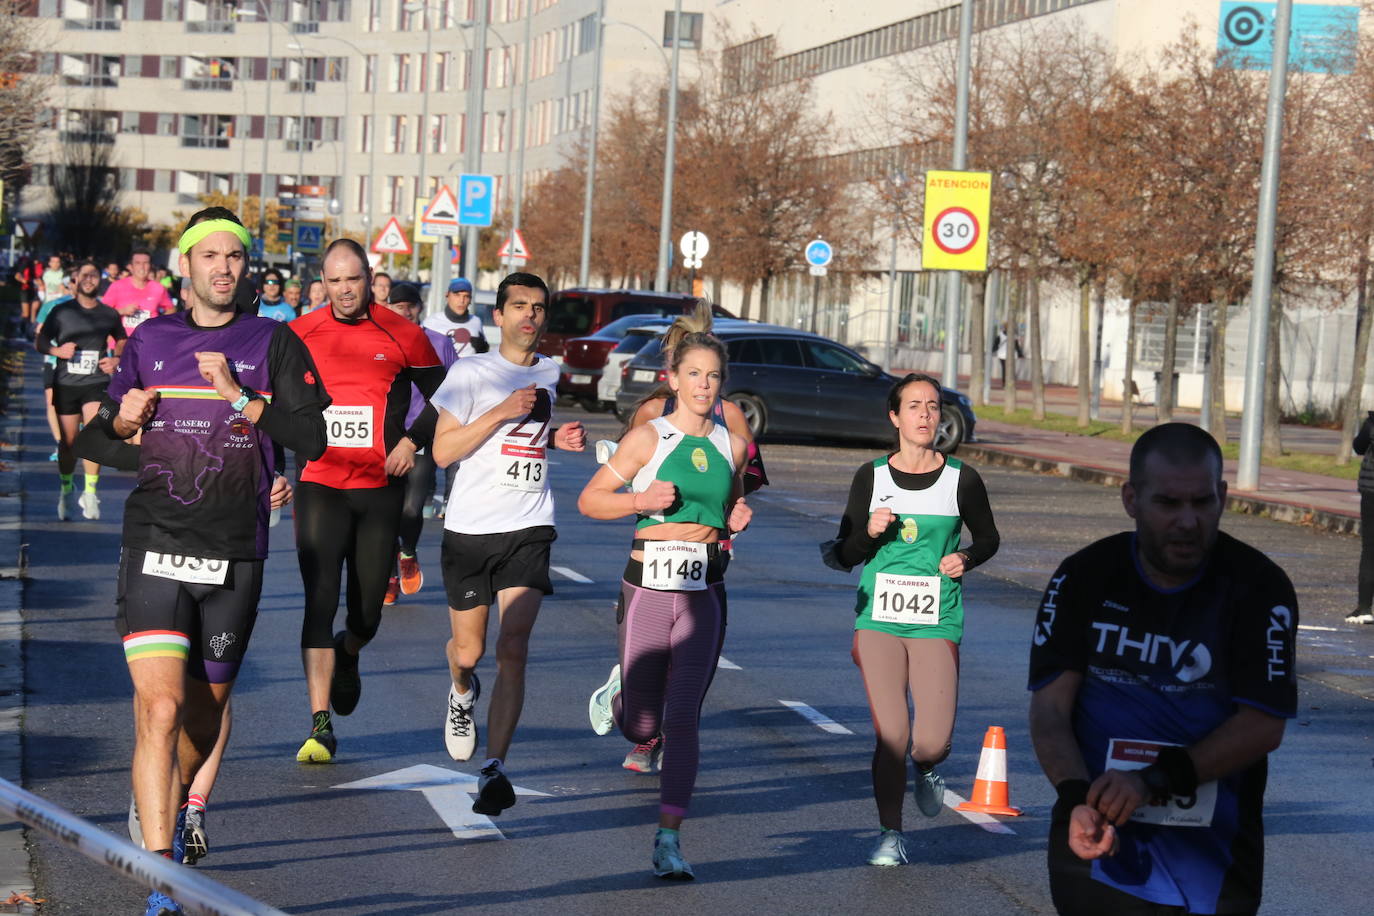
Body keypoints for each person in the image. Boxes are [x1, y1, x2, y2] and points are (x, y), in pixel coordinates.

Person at [79, 206, 328, 916]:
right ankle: (164, 879)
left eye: (236, 257)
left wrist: (242, 400)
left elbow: (312, 435)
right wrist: (123, 421)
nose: (224, 268)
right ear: (184, 268)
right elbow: (99, 441)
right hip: (155, 543)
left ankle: (170, 796)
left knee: (199, 720)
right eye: (210, 256)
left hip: (235, 554)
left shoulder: (272, 342)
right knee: (157, 708)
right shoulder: (149, 341)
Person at [1028, 423, 1297, 916]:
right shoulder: (1084, 575)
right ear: (1132, 498)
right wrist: (1073, 797)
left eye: (1202, 503)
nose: (1188, 522)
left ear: (1222, 496)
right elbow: (1050, 709)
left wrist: (1150, 781)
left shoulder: (1258, 587)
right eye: (1169, 504)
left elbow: (1263, 724)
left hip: (1213, 861)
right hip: (1096, 846)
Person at [580, 328, 750, 880]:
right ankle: (624, 693)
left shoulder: (733, 444)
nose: (704, 384)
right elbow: (590, 501)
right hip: (648, 587)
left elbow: (730, 503)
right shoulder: (648, 439)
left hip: (705, 591)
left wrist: (736, 519)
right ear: (673, 379)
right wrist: (641, 500)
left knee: (683, 720)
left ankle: (670, 838)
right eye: (694, 374)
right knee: (641, 726)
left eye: (713, 376)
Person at [823, 372, 999, 867]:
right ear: (895, 417)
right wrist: (870, 534)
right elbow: (843, 553)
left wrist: (965, 558)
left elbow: (988, 539)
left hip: (936, 619)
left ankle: (928, 767)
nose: (925, 414)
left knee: (929, 741)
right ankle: (889, 834)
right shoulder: (871, 477)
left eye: (933, 405)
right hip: (877, 620)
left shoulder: (961, 478)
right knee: (893, 734)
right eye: (914, 406)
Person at [429, 271, 585, 815]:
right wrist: (500, 411)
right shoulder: (470, 372)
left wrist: (557, 437)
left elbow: (531, 437)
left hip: (529, 525)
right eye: (518, 306)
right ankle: (461, 689)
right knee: (469, 651)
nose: (529, 316)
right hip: (470, 529)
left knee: (513, 647)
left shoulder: (550, 370)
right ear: (498, 316)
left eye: (538, 308)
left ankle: (494, 768)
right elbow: (444, 452)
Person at [289, 239, 445, 763]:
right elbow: (272, 404)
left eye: (352, 279)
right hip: (319, 482)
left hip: (380, 488)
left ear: (368, 276)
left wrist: (411, 441)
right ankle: (319, 723)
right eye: (333, 281)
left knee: (366, 614)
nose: (343, 290)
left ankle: (349, 652)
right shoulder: (300, 334)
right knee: (319, 597)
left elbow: (447, 396)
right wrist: (271, 469)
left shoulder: (401, 333)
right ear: (323, 282)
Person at [380, 282, 456, 604]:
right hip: (384, 439)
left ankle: (407, 552)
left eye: (410, 304)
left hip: (422, 435)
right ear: (388, 307)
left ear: (419, 307)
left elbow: (456, 387)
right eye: (398, 305)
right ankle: (389, 575)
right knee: (384, 511)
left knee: (412, 508)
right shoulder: (379, 340)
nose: (405, 310)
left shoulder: (438, 343)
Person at [35, 260, 126, 520]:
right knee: (69, 442)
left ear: (100, 280)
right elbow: (40, 340)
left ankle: (89, 492)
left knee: (94, 434)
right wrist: (55, 350)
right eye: (84, 275)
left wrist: (117, 358)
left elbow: (121, 337)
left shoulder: (108, 313)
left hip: (95, 382)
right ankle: (66, 489)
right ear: (75, 280)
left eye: (94, 275)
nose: (89, 279)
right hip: (66, 382)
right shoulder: (61, 312)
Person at [105, 249, 177, 336]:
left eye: (146, 263)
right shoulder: (117, 286)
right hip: (121, 342)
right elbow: (102, 312)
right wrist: (121, 311)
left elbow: (171, 309)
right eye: (138, 263)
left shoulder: (158, 288)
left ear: (150, 266)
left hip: (148, 341)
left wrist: (158, 322)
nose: (142, 267)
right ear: (130, 267)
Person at [423, 277, 489, 359]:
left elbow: (484, 357)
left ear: (470, 299)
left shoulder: (476, 321)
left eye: (466, 296)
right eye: (457, 295)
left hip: (468, 371)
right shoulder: (431, 322)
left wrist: (483, 349)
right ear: (447, 295)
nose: (461, 301)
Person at [1349, 410, 1374, 625]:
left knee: (1370, 549)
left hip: (1372, 490)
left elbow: (1358, 447)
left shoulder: (1372, 422)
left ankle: (1365, 608)